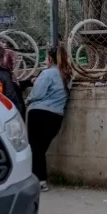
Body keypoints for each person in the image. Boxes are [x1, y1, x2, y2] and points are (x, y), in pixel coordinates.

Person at [26, 43, 74, 192]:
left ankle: (39, 181)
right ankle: (39, 180)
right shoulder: (67, 76)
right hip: (56, 117)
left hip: (39, 114)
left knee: (35, 148)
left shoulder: (47, 74)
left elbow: (37, 94)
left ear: (49, 59)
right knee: (41, 148)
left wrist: (27, 100)